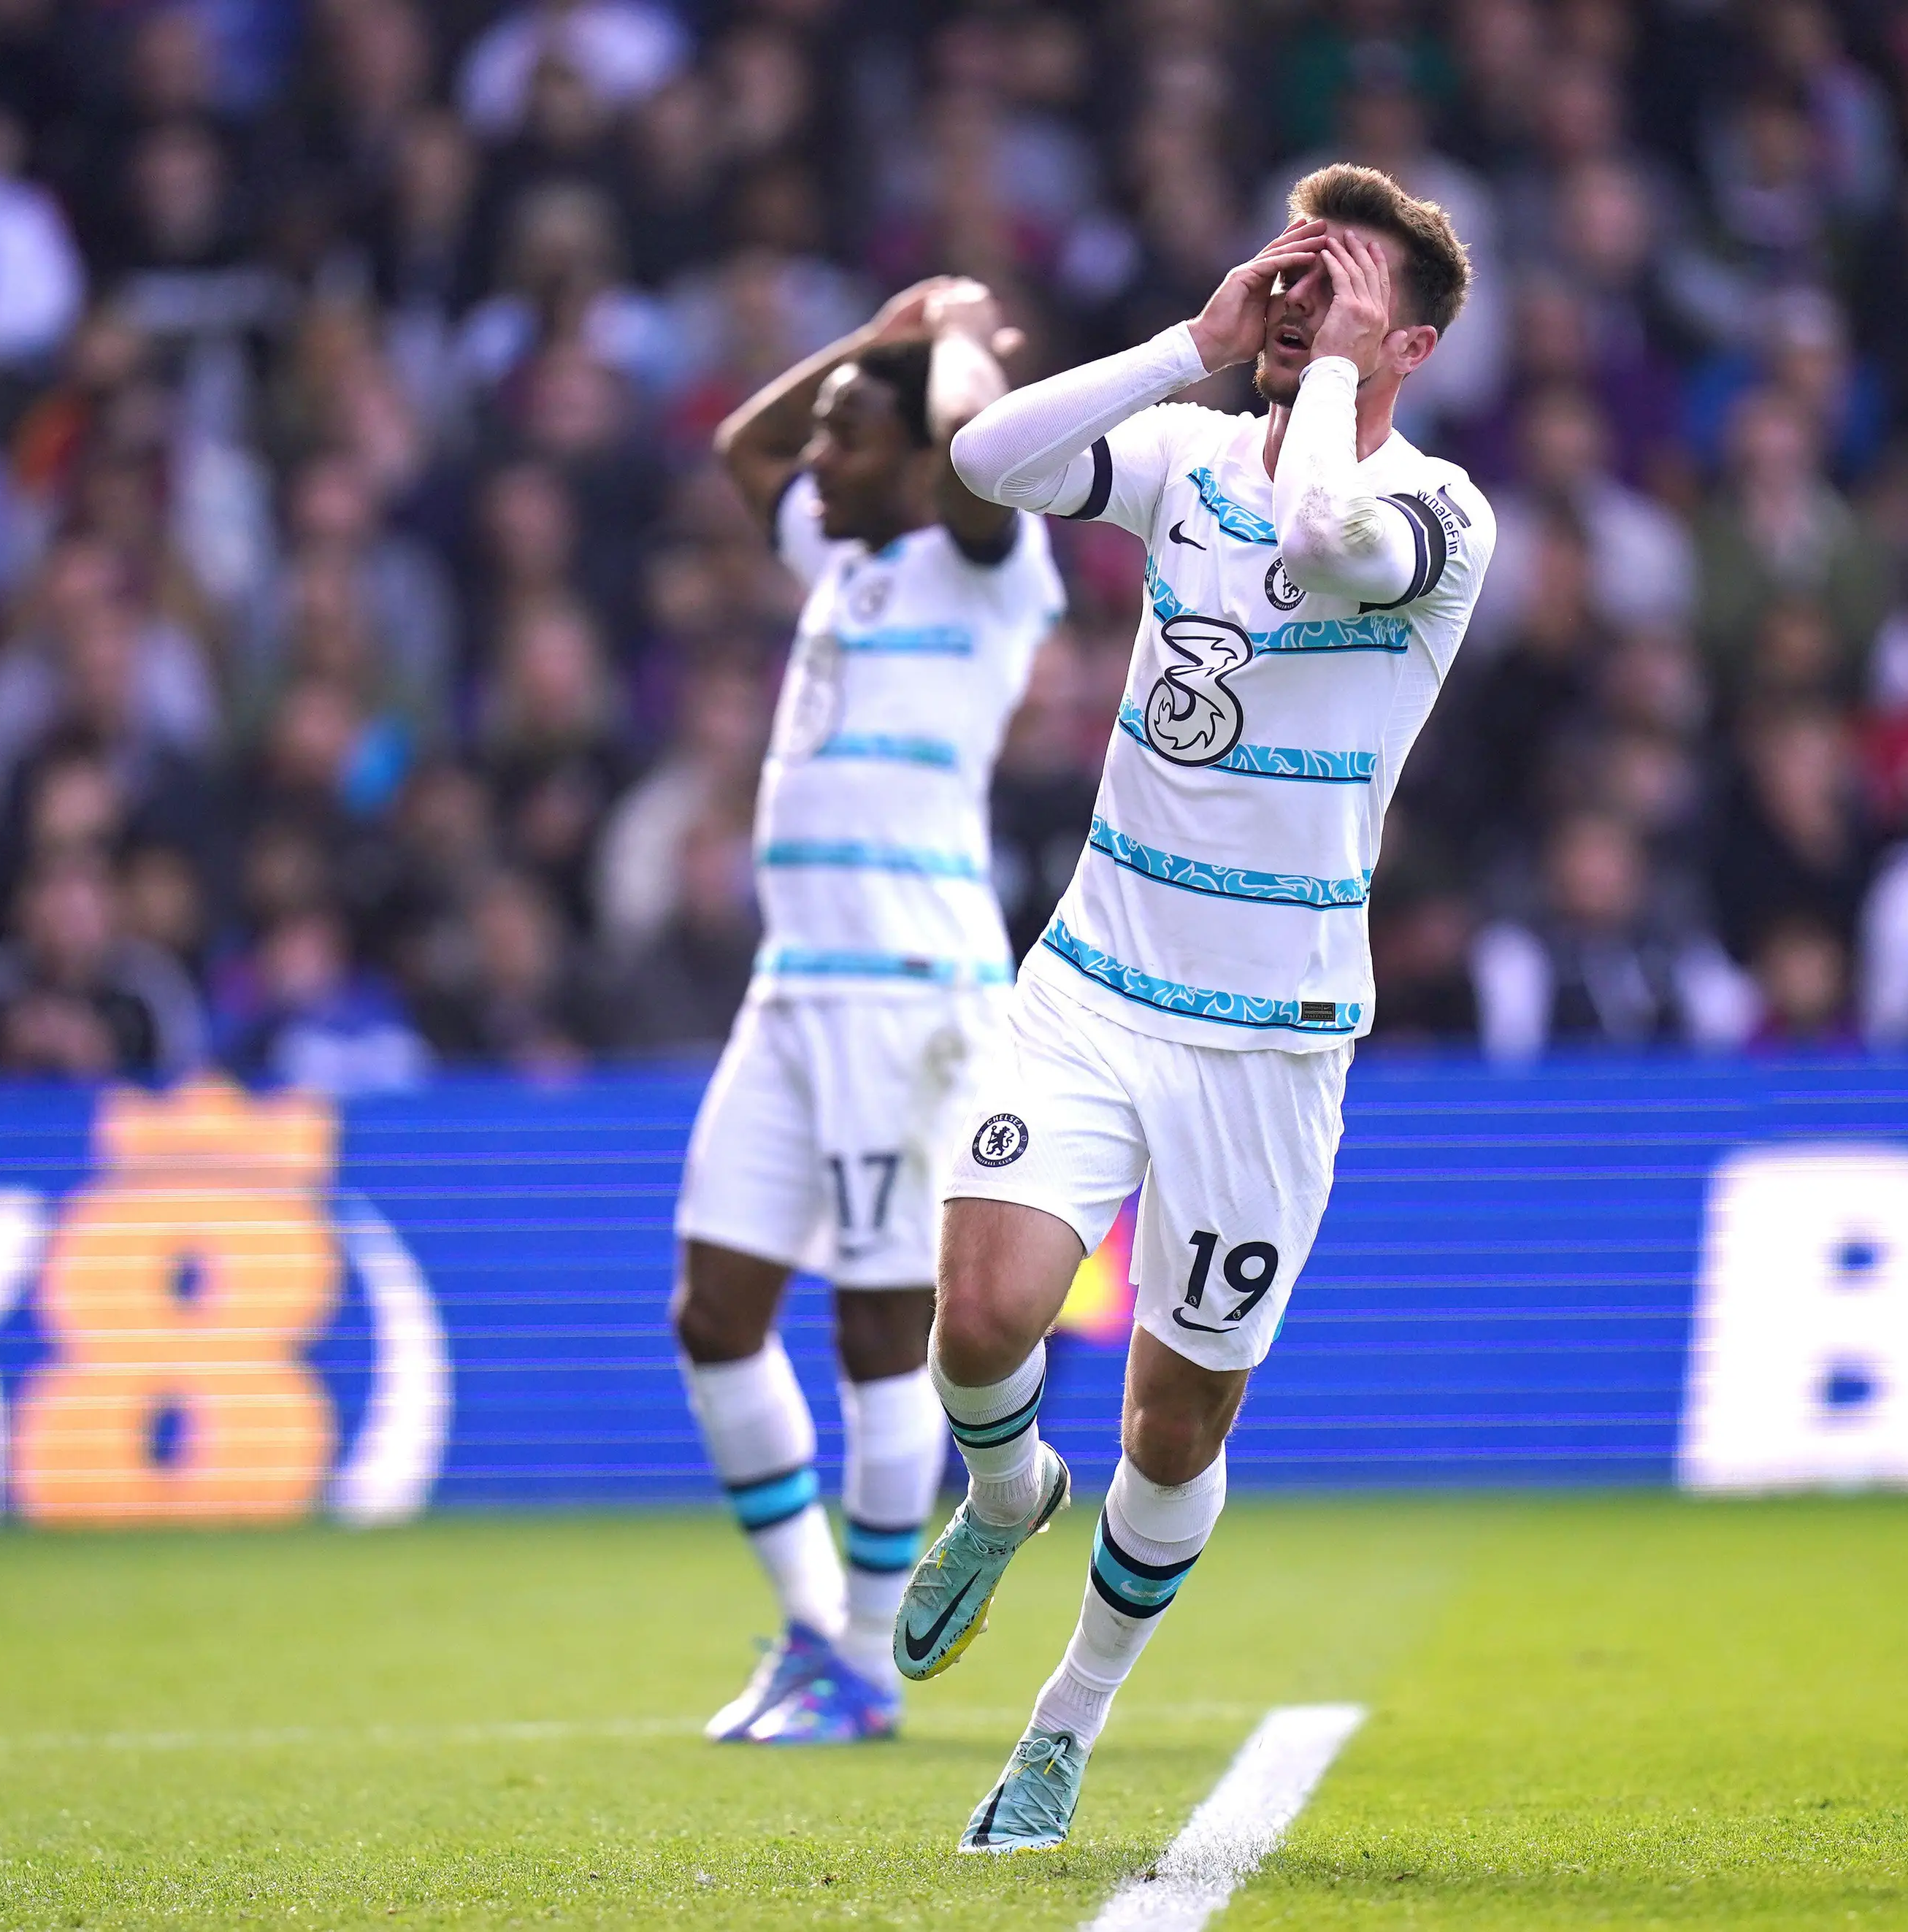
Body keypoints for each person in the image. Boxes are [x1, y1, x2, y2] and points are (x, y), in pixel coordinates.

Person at [931, 164, 1494, 1849]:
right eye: (1294, 270)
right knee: (981, 1319)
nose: (1304, 299)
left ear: (1418, 342)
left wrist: (1328, 375)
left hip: (1271, 1041)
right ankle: (1007, 1492)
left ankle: (1067, 1718)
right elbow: (987, 458)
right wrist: (1191, 342)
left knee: (1174, 1427)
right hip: (1096, 982)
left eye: (1345, 285)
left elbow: (1324, 534)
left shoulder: (1442, 517)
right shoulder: (1188, 453)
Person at [675, 275, 1060, 1747]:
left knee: (880, 1333)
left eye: (851, 435)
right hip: (795, 984)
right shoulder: (845, 558)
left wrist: (954, 347)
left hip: (911, 993)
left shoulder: (988, 561)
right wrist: (880, 344)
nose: (818, 458)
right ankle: (807, 1628)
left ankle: (865, 1662)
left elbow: (968, 444)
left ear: (914, 458)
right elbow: (743, 447)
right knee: (715, 1313)